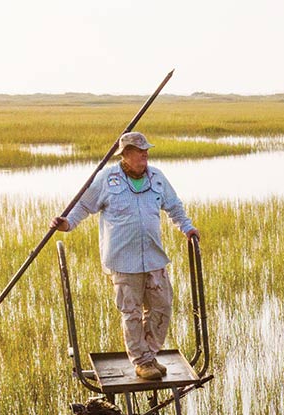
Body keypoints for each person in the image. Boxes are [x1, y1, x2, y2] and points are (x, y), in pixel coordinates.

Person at [52, 132, 198, 381]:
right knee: (130, 312)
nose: (145, 155)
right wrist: (67, 224)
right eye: (139, 151)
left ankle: (149, 355)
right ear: (125, 155)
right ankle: (141, 362)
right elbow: (84, 206)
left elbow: (174, 206)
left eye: (146, 151)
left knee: (162, 306)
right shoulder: (107, 179)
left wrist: (187, 228)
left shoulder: (157, 177)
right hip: (122, 261)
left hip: (153, 257)